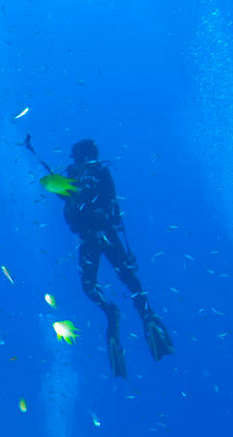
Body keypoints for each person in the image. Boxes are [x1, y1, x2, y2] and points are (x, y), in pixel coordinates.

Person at [61, 139, 173, 378]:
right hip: (104, 236)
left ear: (77, 156)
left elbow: (74, 203)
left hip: (92, 238)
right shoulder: (98, 172)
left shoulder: (84, 173)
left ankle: (118, 313)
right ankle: (144, 314)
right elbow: (110, 208)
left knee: (93, 286)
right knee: (127, 279)